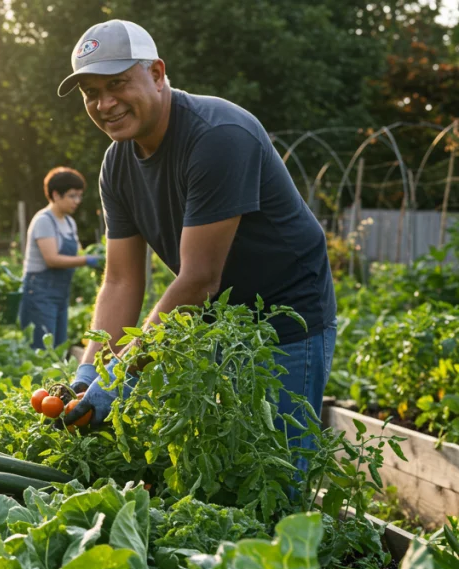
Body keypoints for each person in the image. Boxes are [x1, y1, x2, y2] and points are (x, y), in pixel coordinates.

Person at [56, 20, 337, 467]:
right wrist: (89, 370)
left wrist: (120, 374)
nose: (104, 104)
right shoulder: (117, 163)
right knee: (214, 469)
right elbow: (122, 281)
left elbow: (200, 279)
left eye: (117, 84)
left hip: (287, 321)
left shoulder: (217, 135)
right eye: (91, 93)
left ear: (157, 73)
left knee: (276, 471)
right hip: (211, 326)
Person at [19, 166, 102, 349]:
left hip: (60, 293)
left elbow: (75, 253)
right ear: (56, 195)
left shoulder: (69, 222)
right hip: (40, 292)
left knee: (59, 346)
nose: (77, 201)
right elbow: (52, 259)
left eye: (80, 195)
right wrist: (88, 260)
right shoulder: (44, 221)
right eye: (72, 196)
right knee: (42, 349)